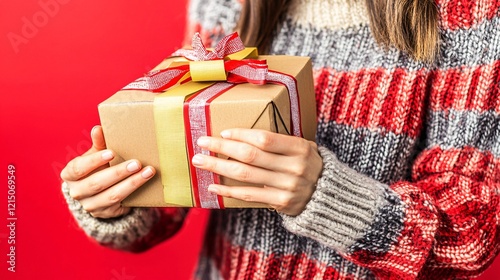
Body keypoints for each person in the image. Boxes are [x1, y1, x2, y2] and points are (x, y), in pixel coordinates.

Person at [60, 0, 500, 279]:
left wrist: (322, 195)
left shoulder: (467, 12)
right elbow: (192, 177)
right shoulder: (224, 5)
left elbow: (472, 232)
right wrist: (122, 198)